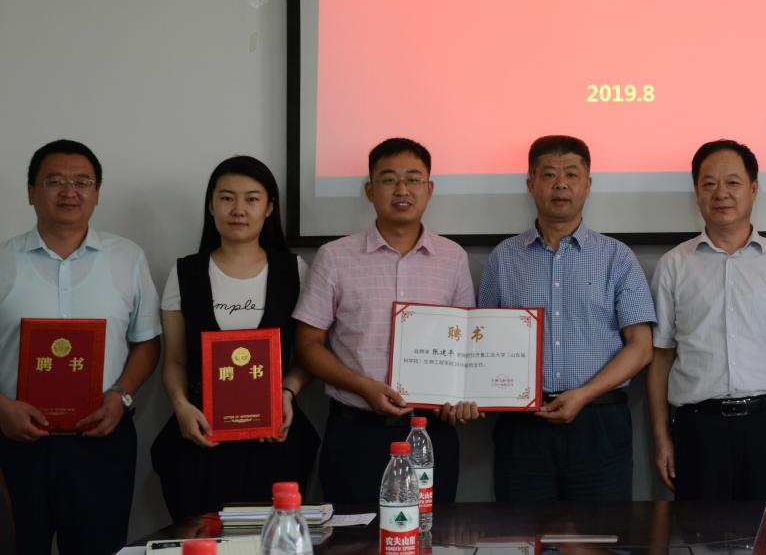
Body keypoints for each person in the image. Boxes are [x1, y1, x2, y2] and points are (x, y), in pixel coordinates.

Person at [293, 138, 477, 506]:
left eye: (413, 179)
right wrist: (362, 386)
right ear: (370, 190)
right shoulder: (334, 257)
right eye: (389, 179)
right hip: (354, 433)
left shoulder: (453, 258)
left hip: (430, 432)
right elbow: (308, 345)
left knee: (430, 532)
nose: (402, 190)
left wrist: (462, 396)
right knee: (353, 534)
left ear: (429, 189)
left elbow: (466, 347)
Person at [0, 140, 161, 555]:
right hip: (13, 438)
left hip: (100, 439)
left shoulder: (127, 258)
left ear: (97, 194)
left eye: (82, 182)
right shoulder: (3, 261)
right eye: (54, 181)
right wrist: (1, 408)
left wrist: (121, 396)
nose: (69, 191)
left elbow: (147, 342)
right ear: (31, 192)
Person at [478, 135, 656, 501]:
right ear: (531, 184)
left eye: (571, 174)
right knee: (521, 529)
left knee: (602, 530)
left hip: (599, 422)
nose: (560, 184)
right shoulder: (503, 258)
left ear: (587, 185)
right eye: (549, 175)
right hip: (523, 425)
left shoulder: (617, 257)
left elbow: (641, 347)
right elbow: (481, 343)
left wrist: (584, 395)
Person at [648, 139, 766, 499]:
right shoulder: (673, 265)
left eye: (732, 182)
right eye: (709, 184)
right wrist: (662, 438)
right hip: (698, 430)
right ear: (697, 192)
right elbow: (661, 357)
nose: (721, 194)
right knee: (698, 529)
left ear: (754, 189)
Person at [150, 155, 319, 519]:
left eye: (252, 199)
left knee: (272, 538)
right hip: (201, 437)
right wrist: (181, 407)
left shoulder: (295, 271)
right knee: (203, 538)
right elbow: (175, 360)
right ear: (211, 206)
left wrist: (287, 393)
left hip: (275, 438)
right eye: (226, 198)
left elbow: (309, 355)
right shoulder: (185, 273)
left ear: (269, 208)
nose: (239, 209)